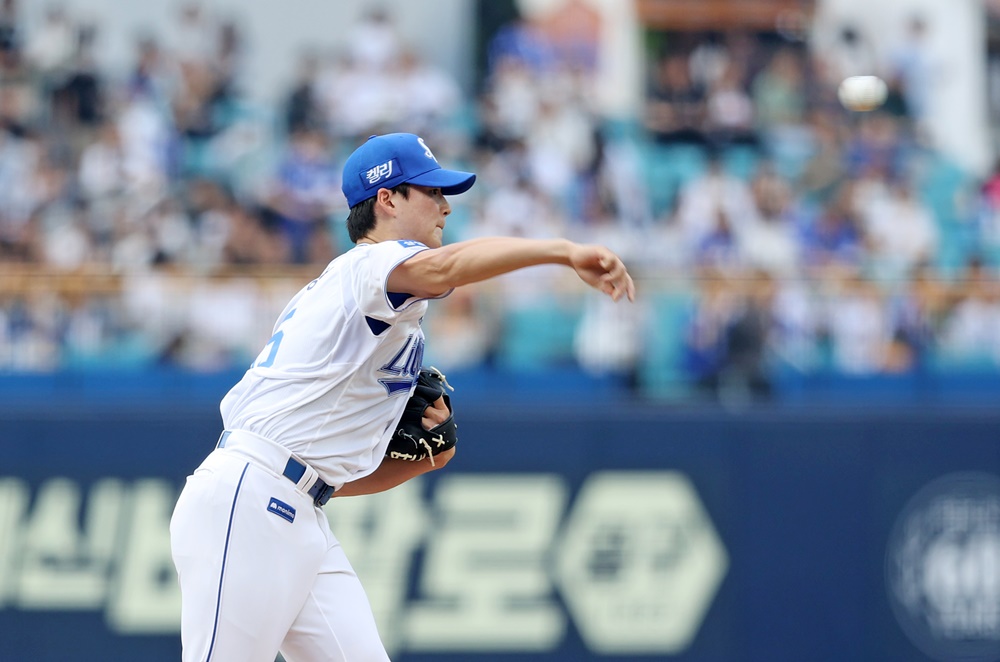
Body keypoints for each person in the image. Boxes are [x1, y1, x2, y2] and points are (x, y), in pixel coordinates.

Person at [168, 132, 635, 662]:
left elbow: (325, 481)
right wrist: (562, 250)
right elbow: (448, 267)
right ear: (387, 200)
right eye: (429, 191)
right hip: (249, 500)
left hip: (295, 509)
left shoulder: (373, 299)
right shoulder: (371, 265)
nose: (445, 204)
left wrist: (427, 458)